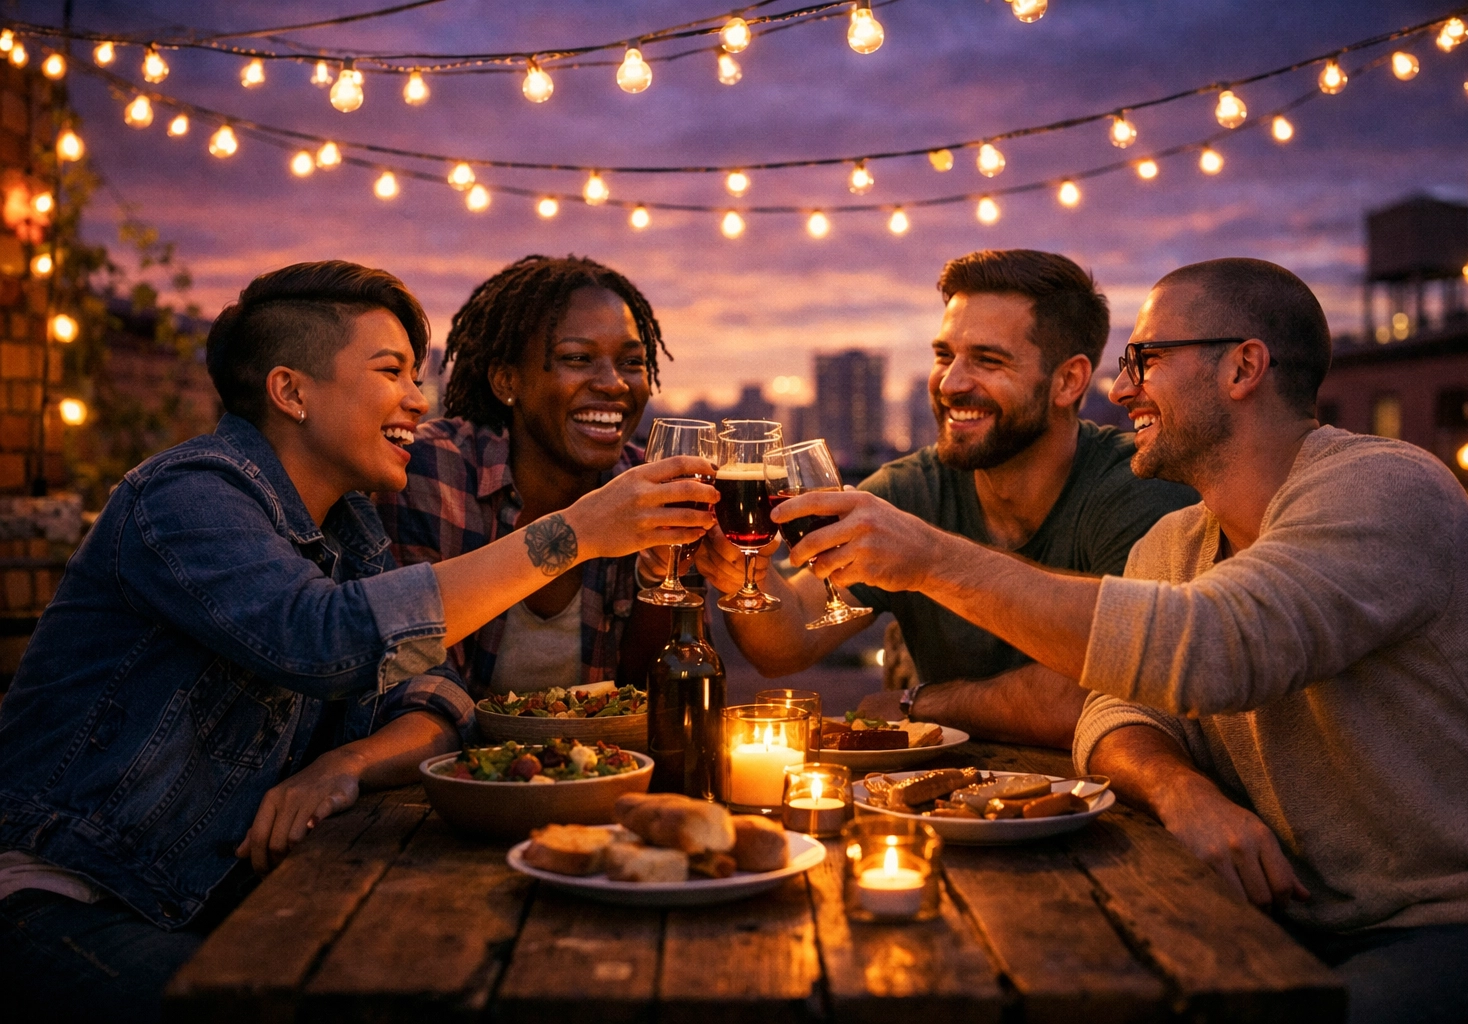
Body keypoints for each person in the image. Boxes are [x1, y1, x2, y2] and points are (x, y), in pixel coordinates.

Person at [771, 258, 1468, 1022]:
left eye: (1146, 359)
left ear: (1243, 366)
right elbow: (1111, 712)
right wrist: (1179, 789)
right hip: (1279, 915)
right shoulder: (1177, 539)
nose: (1122, 388)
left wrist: (934, 561)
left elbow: (1215, 648)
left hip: (1460, 923)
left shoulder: (1387, 489)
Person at [0, 261, 715, 1022]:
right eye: (391, 372)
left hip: (214, 895)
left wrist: (350, 763)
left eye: (417, 375)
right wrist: (574, 534)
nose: (419, 399)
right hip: (69, 895)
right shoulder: (186, 494)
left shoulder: (350, 531)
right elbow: (324, 641)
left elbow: (429, 689)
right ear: (292, 392)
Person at [695, 249, 1196, 748]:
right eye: (944, 355)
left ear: (1068, 381)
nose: (951, 383)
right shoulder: (910, 490)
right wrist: (745, 573)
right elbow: (786, 644)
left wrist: (922, 702)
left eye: (987, 360)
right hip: (942, 808)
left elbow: (1121, 690)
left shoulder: (1137, 484)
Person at [376, 255, 683, 700]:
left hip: (607, 767)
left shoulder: (649, 487)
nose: (614, 383)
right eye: (578, 358)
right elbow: (406, 673)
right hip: (449, 767)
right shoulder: (430, 470)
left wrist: (658, 581)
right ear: (506, 380)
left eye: (632, 363)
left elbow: (648, 697)